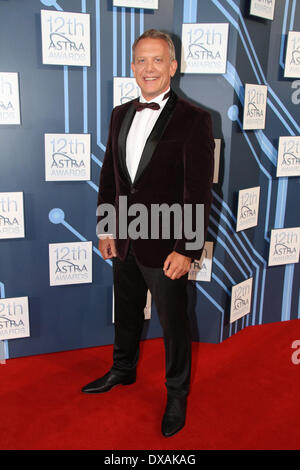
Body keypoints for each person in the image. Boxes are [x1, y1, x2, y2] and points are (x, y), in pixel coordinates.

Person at [82, 29, 215, 438]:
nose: (149, 68)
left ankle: (177, 393)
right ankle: (123, 368)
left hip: (167, 244)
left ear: (173, 67)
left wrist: (187, 250)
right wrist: (106, 227)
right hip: (123, 238)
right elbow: (110, 177)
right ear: (133, 66)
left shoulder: (195, 119)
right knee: (125, 311)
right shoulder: (121, 113)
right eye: (141, 60)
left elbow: (197, 191)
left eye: (158, 60)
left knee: (174, 323)